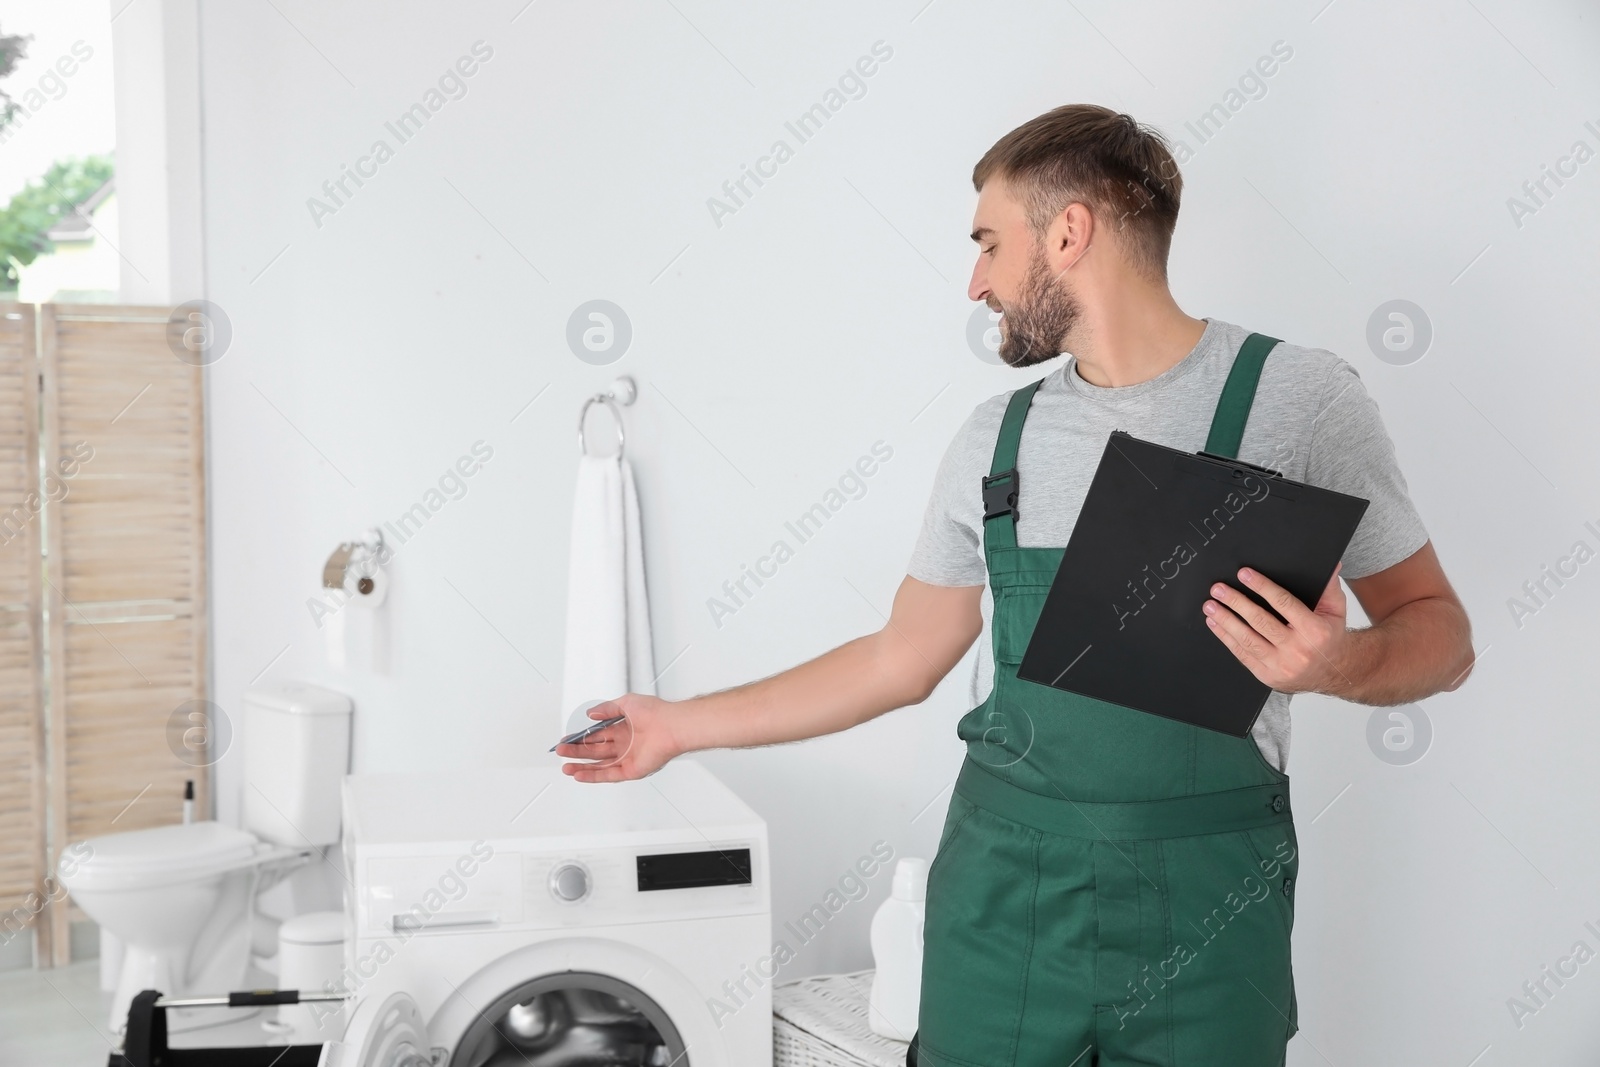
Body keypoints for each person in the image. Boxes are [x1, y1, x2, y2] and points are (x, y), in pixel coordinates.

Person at [555, 104, 1474, 1066]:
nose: (976, 281)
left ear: (1069, 232)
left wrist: (1338, 663)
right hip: (1003, 908)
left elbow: (1441, 635)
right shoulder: (997, 443)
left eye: (990, 243)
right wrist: (675, 724)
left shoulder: (1301, 402)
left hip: (1212, 910)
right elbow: (899, 658)